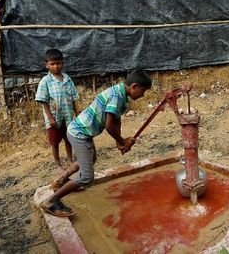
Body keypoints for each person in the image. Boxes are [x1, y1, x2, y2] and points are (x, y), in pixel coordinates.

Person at [39, 69, 152, 217]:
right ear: (135, 86)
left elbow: (116, 120)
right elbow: (109, 125)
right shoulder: (116, 96)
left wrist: (119, 142)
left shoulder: (121, 94)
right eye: (143, 91)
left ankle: (60, 181)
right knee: (86, 177)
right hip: (79, 134)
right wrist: (122, 140)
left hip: (80, 131)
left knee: (90, 159)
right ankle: (50, 202)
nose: (143, 95)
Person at [35, 49, 79, 175]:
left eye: (58, 63)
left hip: (68, 115)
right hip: (54, 117)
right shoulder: (45, 81)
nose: (56, 66)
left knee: (68, 139)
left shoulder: (67, 78)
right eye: (52, 64)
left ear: (62, 63)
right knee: (54, 142)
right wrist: (50, 118)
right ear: (47, 65)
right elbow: (43, 101)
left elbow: (74, 98)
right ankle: (58, 164)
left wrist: (77, 113)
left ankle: (70, 160)